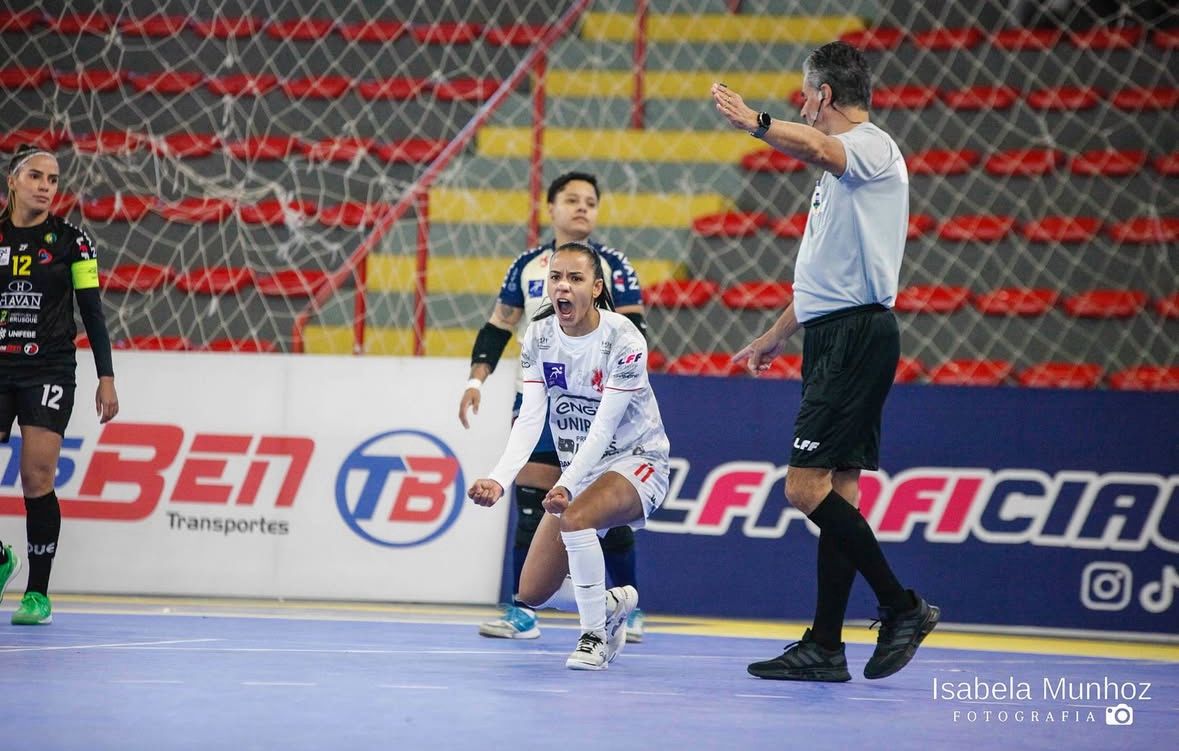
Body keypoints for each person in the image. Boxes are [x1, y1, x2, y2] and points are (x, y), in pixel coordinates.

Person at [710, 41, 939, 681]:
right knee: (838, 492)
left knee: (802, 488)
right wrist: (778, 334)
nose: (801, 106)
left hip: (855, 339)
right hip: (836, 332)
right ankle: (826, 647)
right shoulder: (840, 172)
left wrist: (755, 122)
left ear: (824, 96)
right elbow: (823, 277)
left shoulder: (868, 148)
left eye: (805, 94)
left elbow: (817, 146)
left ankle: (902, 607)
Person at [459, 171, 649, 643]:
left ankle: (625, 599)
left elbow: (635, 334)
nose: (582, 207)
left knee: (605, 508)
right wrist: (475, 380)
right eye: (571, 199)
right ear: (551, 209)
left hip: (599, 400)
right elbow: (499, 326)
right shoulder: (526, 265)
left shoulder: (615, 266)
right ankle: (523, 610)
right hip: (542, 400)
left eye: (591, 200)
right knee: (531, 504)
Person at [0, 145, 120, 625]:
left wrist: (105, 376)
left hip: (48, 369)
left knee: (37, 476)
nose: (46, 185)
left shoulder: (74, 242)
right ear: (13, 180)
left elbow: (91, 308)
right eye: (35, 175)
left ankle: (37, 593)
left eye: (52, 178)